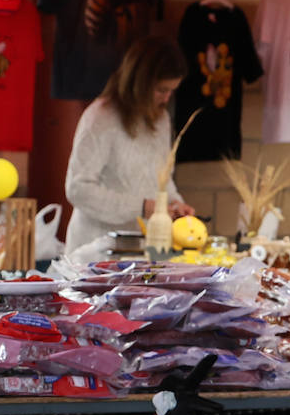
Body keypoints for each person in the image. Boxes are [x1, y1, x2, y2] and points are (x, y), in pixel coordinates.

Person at [63, 33, 195, 253]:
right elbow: (78, 189)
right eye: (162, 90)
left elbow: (162, 180)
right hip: (94, 250)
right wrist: (141, 207)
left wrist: (174, 204)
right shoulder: (100, 117)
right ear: (140, 82)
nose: (167, 98)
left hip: (141, 249)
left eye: (172, 91)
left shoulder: (161, 119)